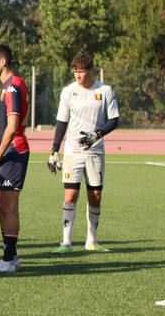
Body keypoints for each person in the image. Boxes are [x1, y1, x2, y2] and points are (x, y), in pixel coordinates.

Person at [47, 53, 119, 253]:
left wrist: (97, 135)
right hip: (72, 151)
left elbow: (114, 120)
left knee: (95, 196)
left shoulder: (104, 90)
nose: (78, 76)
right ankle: (66, 243)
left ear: (91, 70)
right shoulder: (68, 91)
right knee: (71, 195)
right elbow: (62, 121)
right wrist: (55, 149)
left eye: (81, 72)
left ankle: (92, 241)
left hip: (95, 152)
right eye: (75, 72)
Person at [0, 44, 28, 273]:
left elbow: (12, 127)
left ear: (3, 62)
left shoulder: (12, 87)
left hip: (14, 152)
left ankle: (9, 260)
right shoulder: (7, 86)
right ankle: (11, 256)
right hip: (8, 153)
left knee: (9, 206)